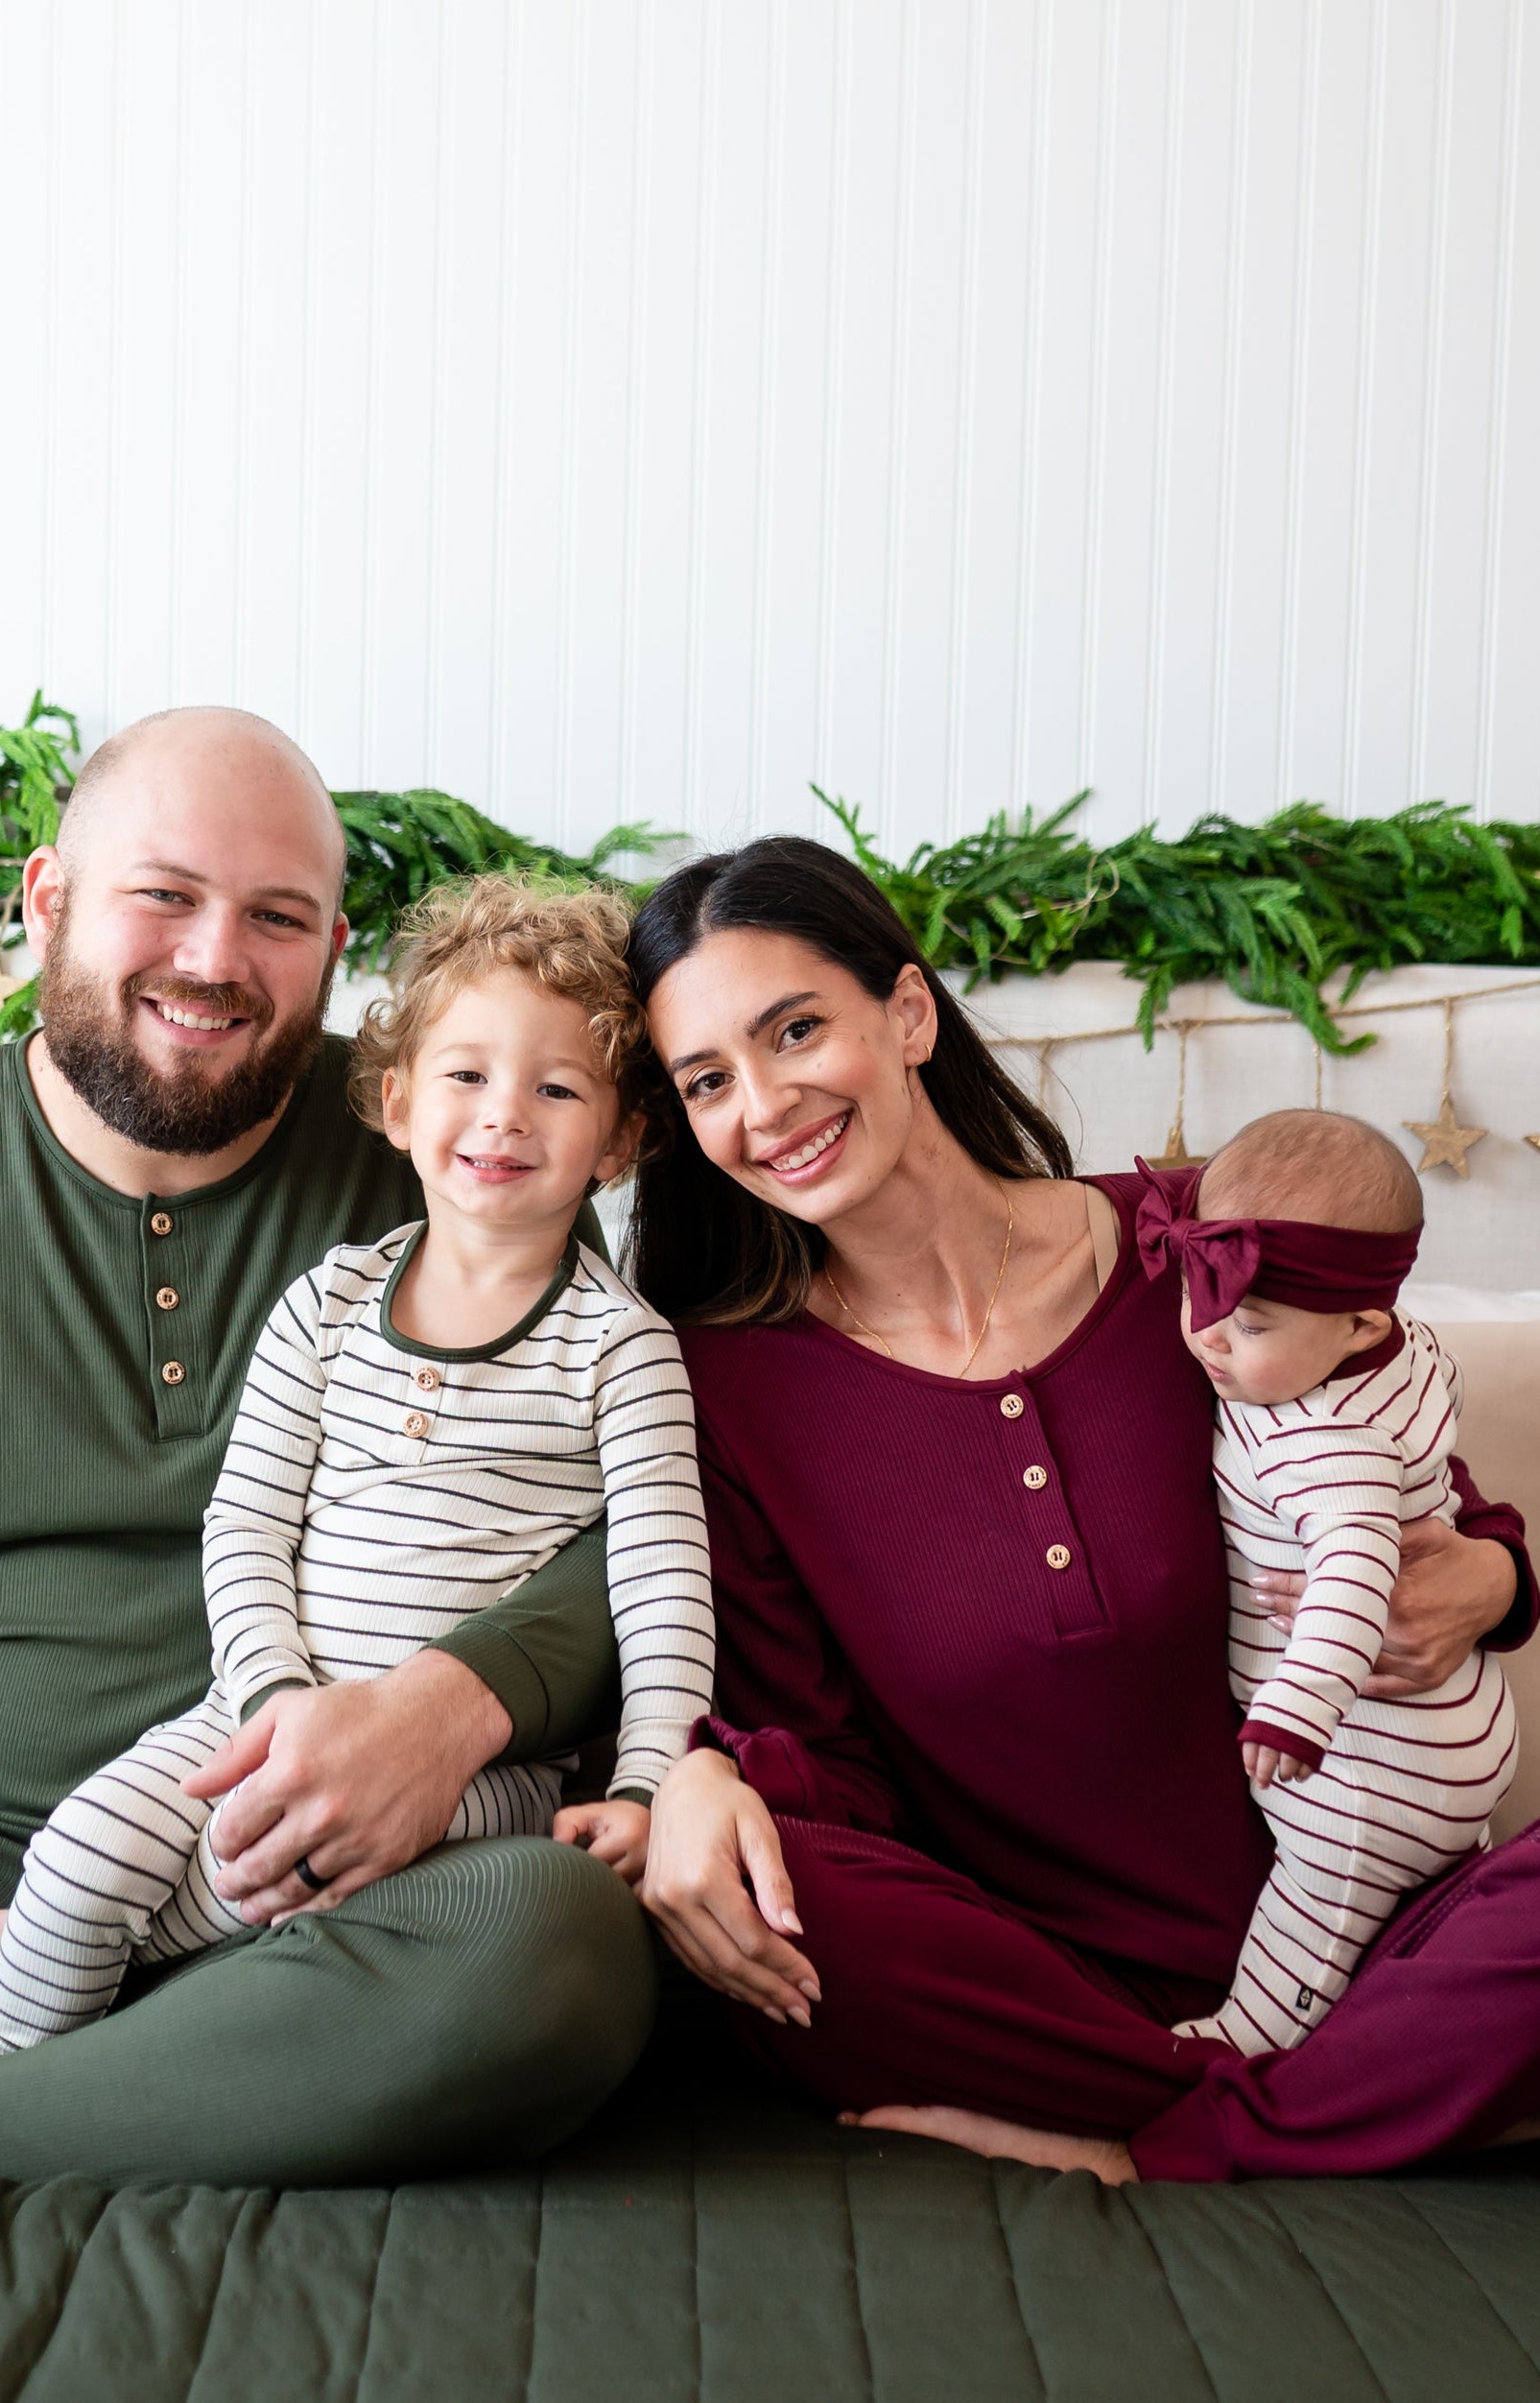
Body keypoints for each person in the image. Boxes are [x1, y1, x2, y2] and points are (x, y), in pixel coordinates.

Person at [0, 709, 649, 2187]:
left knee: (553, 1947)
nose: (216, 958)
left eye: (277, 917)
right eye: (162, 894)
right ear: (47, 901)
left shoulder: (459, 1152)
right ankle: (95, 2094)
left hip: (324, 1881)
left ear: (334, 946)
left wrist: (456, 1708)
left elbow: (615, 1526)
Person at [625, 834, 1540, 2184]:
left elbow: (1414, 1481)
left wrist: (1502, 1581)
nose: (763, 1106)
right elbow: (834, 1770)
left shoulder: (1191, 1244)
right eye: (710, 1081)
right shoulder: (727, 1389)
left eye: (797, 1029)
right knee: (778, 1898)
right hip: (1047, 1985)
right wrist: (710, 1774)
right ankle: (1355, 2101)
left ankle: (1188, 2131)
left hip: (1382, 1921)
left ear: (911, 1012)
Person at [0, 876, 712, 2082]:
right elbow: (242, 1528)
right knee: (84, 1846)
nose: (502, 1117)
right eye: (464, 1077)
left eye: (555, 1089)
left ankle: (70, 1971)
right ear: (395, 1103)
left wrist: (651, 1781)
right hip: (261, 1706)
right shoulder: (328, 1304)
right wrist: (271, 1703)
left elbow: (659, 1597)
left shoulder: (620, 1348)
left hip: (481, 1773)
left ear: (616, 1142)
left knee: (308, 1882)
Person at [1136, 1116, 1517, 2054]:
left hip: (1363, 1763)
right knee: (1425, 1924)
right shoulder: (1407, 1360)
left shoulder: (1320, 1440)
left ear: (1358, 1325)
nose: (1210, 1338)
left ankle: (1244, 2042)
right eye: (1201, 1297)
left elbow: (1354, 1569)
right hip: (1454, 1729)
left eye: (1251, 1323)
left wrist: (1294, 1707)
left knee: (1311, 1909)